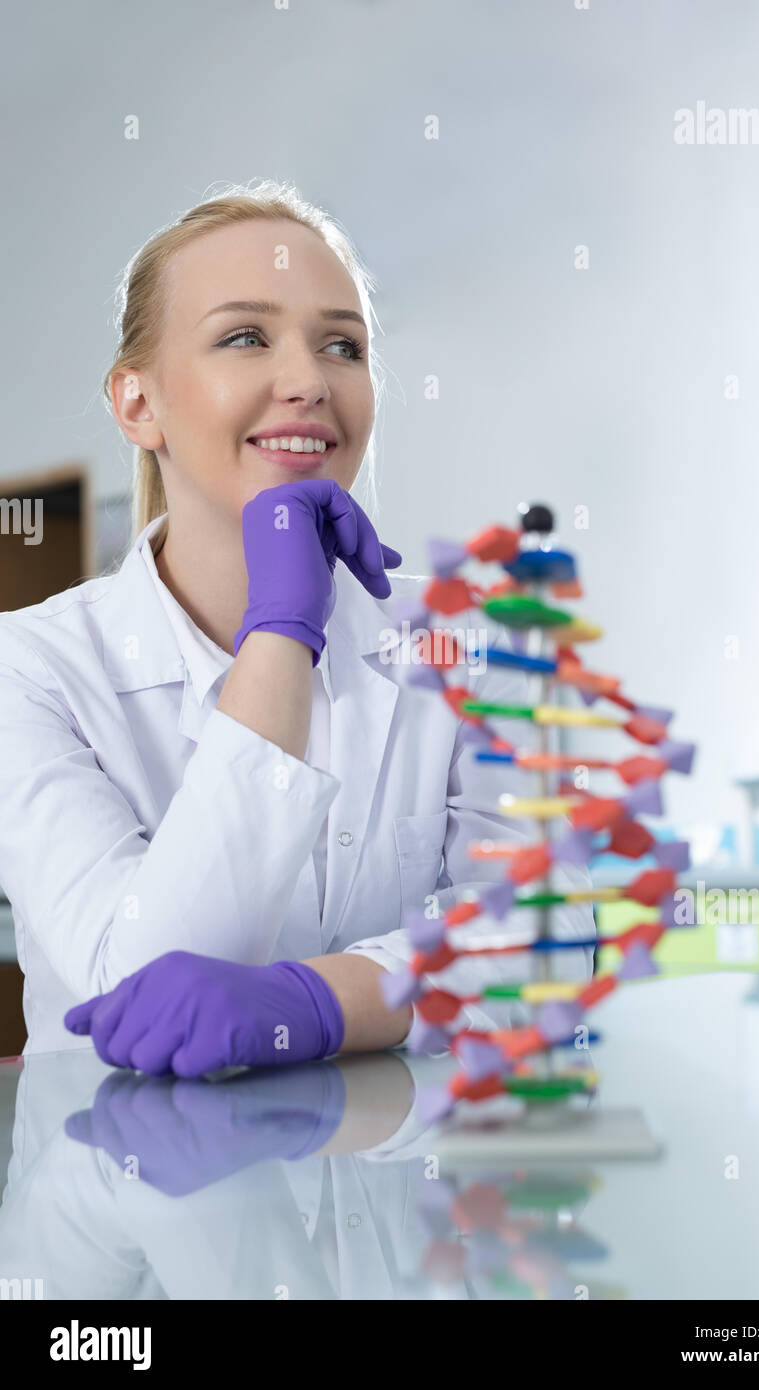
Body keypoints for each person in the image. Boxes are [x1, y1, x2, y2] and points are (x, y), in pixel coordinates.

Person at [0, 179, 594, 1076]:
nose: (310, 381)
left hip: (394, 1190)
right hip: (125, 1199)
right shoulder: (32, 667)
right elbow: (137, 999)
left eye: (342, 347)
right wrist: (282, 629)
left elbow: (545, 946)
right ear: (137, 404)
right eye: (245, 336)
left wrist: (316, 1002)